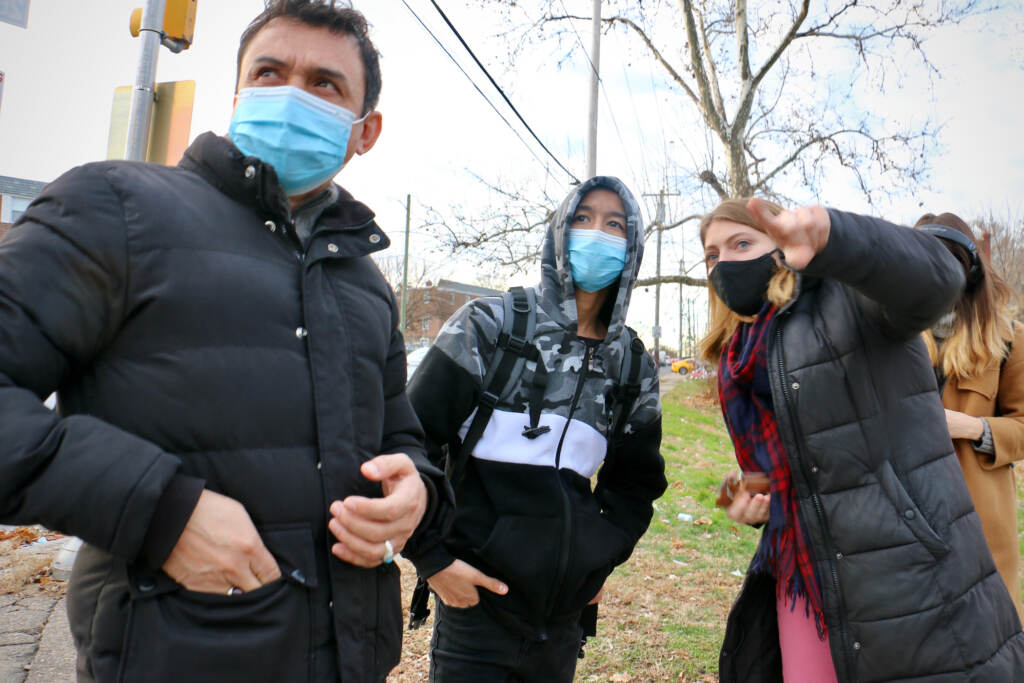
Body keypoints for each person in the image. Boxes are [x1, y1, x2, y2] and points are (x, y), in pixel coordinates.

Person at [0, 2, 452, 681]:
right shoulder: (115, 208)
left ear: (366, 131)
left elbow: (401, 439)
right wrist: (160, 510)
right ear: (238, 94)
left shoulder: (365, 283)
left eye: (326, 83)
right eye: (270, 72)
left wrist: (417, 492)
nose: (292, 93)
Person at [699, 198, 1024, 682]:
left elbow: (937, 277)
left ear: (782, 245)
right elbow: (763, 472)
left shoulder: (848, 302)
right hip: (803, 575)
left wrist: (837, 235)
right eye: (712, 254)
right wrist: (736, 498)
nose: (725, 261)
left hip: (900, 569)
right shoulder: (733, 361)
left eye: (741, 243)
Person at [406, 177, 667, 682]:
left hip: (561, 622)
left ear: (632, 247)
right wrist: (433, 560)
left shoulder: (631, 364)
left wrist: (600, 561)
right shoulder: (488, 326)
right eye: (583, 219)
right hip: (474, 611)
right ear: (558, 233)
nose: (598, 233)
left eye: (615, 224)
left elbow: (635, 484)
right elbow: (409, 443)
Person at [915, 211, 1024, 622]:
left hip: (981, 527)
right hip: (907, 518)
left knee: (987, 642)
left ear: (969, 269)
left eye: (948, 262)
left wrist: (973, 427)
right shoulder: (890, 337)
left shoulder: (1009, 338)